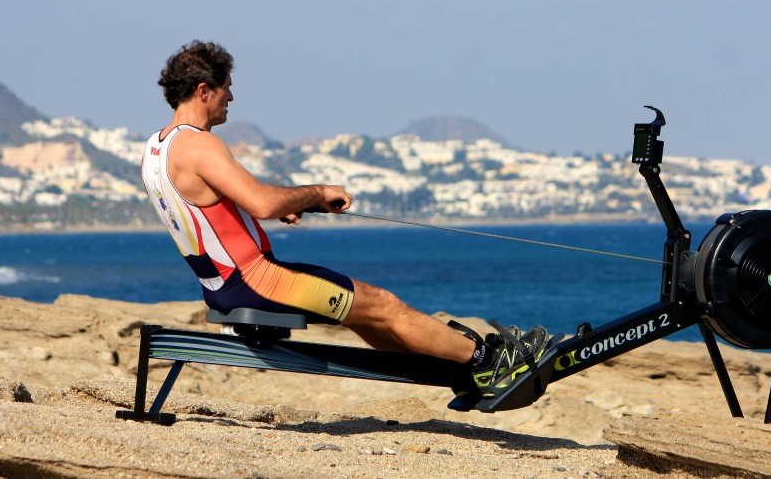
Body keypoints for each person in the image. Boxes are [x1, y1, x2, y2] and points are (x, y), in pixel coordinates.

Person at [141, 40, 560, 398]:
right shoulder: (200, 146)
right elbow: (261, 203)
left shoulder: (156, 149)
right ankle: (491, 363)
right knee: (383, 304)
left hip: (222, 286)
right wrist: (318, 193)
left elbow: (207, 209)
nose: (231, 97)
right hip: (256, 282)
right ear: (203, 90)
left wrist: (290, 203)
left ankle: (451, 368)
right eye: (227, 89)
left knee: (369, 313)